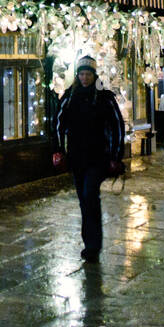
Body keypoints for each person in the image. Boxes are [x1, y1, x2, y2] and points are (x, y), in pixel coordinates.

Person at [56, 56, 126, 262]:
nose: (84, 78)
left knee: (90, 195)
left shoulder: (104, 98)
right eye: (82, 74)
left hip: (98, 158)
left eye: (88, 74)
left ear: (94, 75)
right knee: (84, 200)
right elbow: (59, 124)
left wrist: (115, 155)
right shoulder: (71, 96)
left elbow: (117, 126)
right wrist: (59, 149)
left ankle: (94, 245)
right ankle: (89, 242)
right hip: (77, 157)